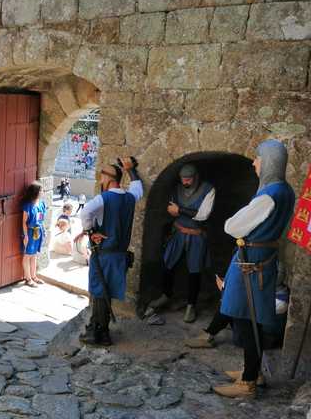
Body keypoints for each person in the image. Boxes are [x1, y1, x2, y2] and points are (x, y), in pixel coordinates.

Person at [213, 139, 295, 399]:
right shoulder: (284, 190)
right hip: (258, 259)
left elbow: (232, 227)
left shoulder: (270, 194)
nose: (254, 162)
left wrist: (236, 222)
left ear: (269, 161)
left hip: (251, 264)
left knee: (245, 318)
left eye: (258, 158)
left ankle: (248, 381)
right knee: (249, 317)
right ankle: (253, 371)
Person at [75, 157, 143, 346]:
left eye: (102, 176)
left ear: (109, 178)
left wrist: (91, 231)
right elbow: (138, 187)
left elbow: (85, 212)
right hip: (119, 255)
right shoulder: (130, 197)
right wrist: (131, 170)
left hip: (104, 253)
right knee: (106, 292)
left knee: (99, 293)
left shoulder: (103, 198)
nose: (100, 180)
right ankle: (101, 331)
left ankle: (98, 332)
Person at [148, 164, 216, 323]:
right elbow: (171, 209)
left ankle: (191, 305)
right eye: (183, 178)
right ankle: (166, 295)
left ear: (195, 177)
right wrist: (180, 212)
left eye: (188, 178)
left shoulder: (208, 190)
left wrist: (180, 211)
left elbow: (203, 215)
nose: (185, 181)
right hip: (178, 232)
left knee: (195, 271)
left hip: (196, 235)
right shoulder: (177, 189)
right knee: (168, 263)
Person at [22, 181, 47, 287]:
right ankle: (28, 279)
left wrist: (43, 230)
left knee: (34, 255)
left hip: (38, 232)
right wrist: (26, 235)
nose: (42, 192)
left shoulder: (41, 204)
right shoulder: (28, 206)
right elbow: (24, 222)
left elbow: (41, 218)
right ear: (35, 192)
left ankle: (34, 276)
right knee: (27, 255)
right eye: (41, 190)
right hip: (30, 232)